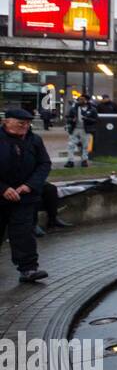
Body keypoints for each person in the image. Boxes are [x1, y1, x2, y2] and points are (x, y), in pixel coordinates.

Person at [1, 108, 52, 283]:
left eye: (28, 123)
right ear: (6, 122)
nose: (25, 126)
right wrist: (3, 189)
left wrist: (30, 185)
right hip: (2, 194)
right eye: (21, 123)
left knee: (23, 233)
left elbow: (44, 164)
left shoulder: (34, 140)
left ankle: (29, 269)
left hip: (25, 196)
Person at [64, 97, 97, 168]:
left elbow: (95, 120)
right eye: (79, 100)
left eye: (82, 99)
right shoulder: (74, 109)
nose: (80, 101)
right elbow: (67, 117)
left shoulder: (92, 109)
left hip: (86, 129)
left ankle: (84, 160)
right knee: (71, 145)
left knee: (85, 145)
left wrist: (87, 119)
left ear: (86, 101)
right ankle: (70, 161)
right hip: (75, 129)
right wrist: (72, 120)